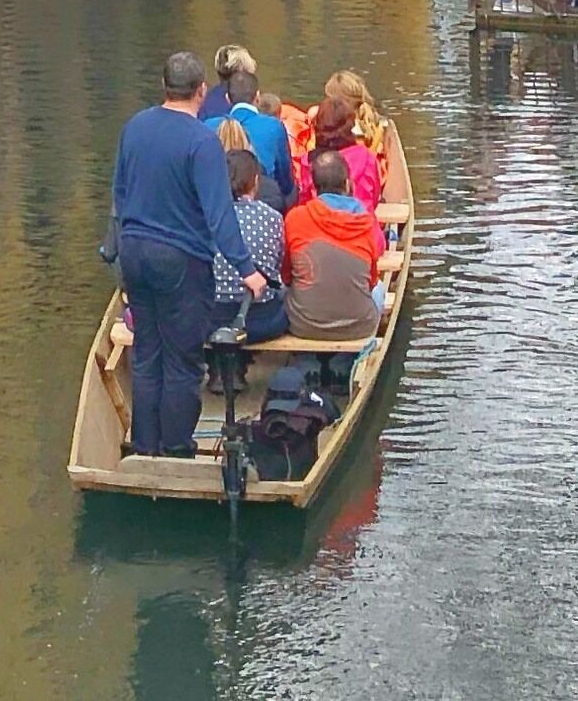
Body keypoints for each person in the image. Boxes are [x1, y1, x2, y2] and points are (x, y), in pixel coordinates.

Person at [111, 51, 265, 458]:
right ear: (201, 91)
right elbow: (219, 216)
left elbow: (120, 195)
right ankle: (176, 447)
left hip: (135, 253)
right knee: (182, 361)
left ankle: (145, 445)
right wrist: (247, 270)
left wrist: (118, 252)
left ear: (164, 88)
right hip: (180, 261)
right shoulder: (201, 142)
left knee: (147, 351)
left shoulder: (134, 128)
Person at [281, 148, 387, 343]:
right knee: (380, 288)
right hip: (360, 327)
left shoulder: (294, 218)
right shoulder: (366, 223)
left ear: (314, 188)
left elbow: (286, 276)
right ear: (347, 183)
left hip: (302, 325)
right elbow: (371, 281)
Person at [212, 123, 290, 344]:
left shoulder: (204, 216)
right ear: (255, 181)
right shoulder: (273, 218)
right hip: (261, 321)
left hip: (210, 318)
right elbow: (278, 266)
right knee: (286, 294)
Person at [215, 56, 297, 205]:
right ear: (257, 97)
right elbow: (286, 181)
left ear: (228, 99)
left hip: (218, 198)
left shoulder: (209, 125)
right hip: (263, 199)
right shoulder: (273, 127)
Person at [309, 87, 384, 211]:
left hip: (319, 226)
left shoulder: (307, 162)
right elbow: (375, 198)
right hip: (361, 226)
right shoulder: (366, 157)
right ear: (350, 126)